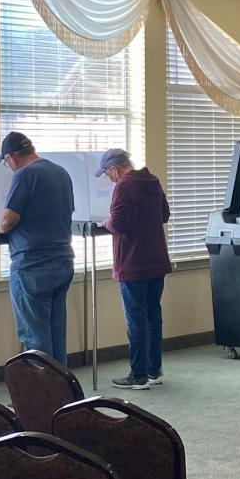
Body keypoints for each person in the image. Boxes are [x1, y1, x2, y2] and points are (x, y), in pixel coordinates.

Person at [0, 132, 75, 364]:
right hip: (63, 261)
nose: (9, 166)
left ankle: (42, 398)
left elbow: (8, 221)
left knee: (35, 340)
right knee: (56, 336)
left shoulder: (25, 175)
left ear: (12, 157)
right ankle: (62, 395)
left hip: (32, 266)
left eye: (6, 162)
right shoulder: (61, 172)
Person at [97, 148, 172, 390]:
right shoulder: (152, 181)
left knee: (135, 319)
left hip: (132, 263)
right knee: (153, 315)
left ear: (114, 169)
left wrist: (106, 222)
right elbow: (165, 215)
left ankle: (137, 375)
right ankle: (154, 370)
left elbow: (118, 223)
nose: (109, 179)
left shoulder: (123, 186)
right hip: (156, 260)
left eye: (108, 175)